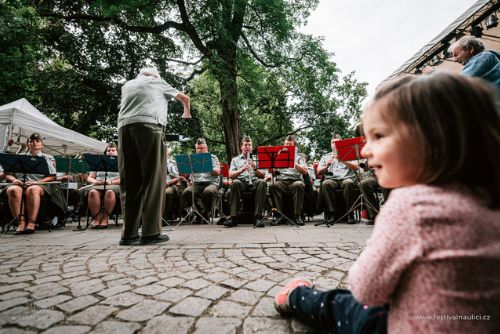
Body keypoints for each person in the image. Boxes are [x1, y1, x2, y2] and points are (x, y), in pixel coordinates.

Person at [274, 73, 500, 333]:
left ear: (429, 138)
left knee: (344, 305)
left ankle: (298, 296)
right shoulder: (490, 200)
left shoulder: (411, 205)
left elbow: (365, 288)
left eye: (378, 136)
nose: (365, 151)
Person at [118, 67, 190, 246]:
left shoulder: (127, 85)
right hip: (150, 127)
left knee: (130, 182)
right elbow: (184, 98)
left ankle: (129, 234)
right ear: (155, 76)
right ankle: (151, 232)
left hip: (124, 128)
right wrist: (186, 112)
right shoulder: (157, 82)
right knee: (154, 180)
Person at [317, 135, 379, 224]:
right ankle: (331, 213)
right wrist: (327, 165)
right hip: (332, 179)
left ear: (341, 144)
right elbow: (319, 172)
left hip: (347, 178)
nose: (335, 144)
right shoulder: (325, 156)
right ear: (330, 145)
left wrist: (343, 160)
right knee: (326, 183)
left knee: (348, 183)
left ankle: (350, 214)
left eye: (337, 142)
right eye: (333, 142)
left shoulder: (349, 154)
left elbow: (356, 167)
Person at [5, 133, 58, 234]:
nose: (34, 143)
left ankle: (31, 223)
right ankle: (20, 223)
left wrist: (36, 182)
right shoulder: (18, 157)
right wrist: (14, 180)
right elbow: (8, 174)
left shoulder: (48, 157)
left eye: (37, 141)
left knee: (32, 189)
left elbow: (52, 176)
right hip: (19, 184)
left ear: (42, 145)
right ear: (28, 144)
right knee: (13, 189)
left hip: (39, 185)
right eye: (31, 141)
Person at [223, 136, 268, 228]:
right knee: (235, 183)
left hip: (254, 181)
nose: (247, 147)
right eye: (245, 145)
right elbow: (230, 174)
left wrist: (256, 169)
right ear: (241, 147)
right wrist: (241, 170)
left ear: (252, 147)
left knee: (262, 182)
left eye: (249, 145)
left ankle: (258, 217)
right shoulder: (235, 160)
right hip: (241, 181)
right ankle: (233, 218)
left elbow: (264, 175)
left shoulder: (257, 158)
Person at [269, 135, 307, 226]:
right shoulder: (278, 155)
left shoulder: (299, 157)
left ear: (294, 147)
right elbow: (273, 172)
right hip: (282, 181)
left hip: (295, 180)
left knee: (298, 185)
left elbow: (304, 171)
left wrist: (293, 162)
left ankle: (297, 216)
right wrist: (273, 167)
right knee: (273, 185)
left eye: (290, 145)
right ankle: (280, 215)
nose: (287, 146)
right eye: (286, 144)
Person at [181, 138, 221, 224]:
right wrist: (188, 169)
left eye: (202, 148)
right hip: (197, 183)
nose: (200, 150)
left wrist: (207, 166)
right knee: (187, 192)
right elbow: (187, 176)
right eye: (198, 148)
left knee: (208, 192)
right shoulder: (192, 159)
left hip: (211, 183)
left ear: (206, 148)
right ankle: (199, 213)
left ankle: (205, 212)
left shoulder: (213, 158)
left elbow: (217, 172)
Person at [83, 143, 120, 229]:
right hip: (98, 184)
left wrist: (110, 182)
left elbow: (124, 178)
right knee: (92, 192)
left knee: (109, 192)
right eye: (108, 150)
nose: (110, 152)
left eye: (113, 150)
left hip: (113, 184)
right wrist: (95, 181)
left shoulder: (121, 162)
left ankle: (105, 218)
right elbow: (89, 178)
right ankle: (96, 218)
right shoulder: (99, 162)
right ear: (105, 152)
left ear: (117, 152)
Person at [163, 149, 181, 223]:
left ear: (168, 155)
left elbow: (177, 177)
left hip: (169, 185)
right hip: (156, 186)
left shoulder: (171, 163)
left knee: (167, 193)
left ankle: (164, 218)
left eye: (165, 153)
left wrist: (168, 183)